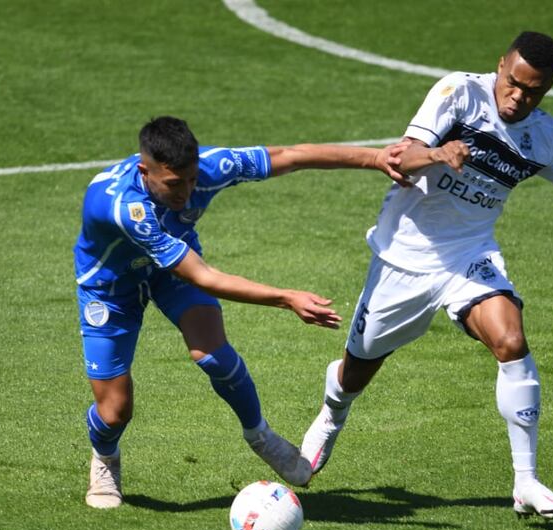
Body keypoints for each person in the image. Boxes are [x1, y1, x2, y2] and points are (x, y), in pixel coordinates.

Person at [299, 31, 553, 519]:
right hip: (406, 255)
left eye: (534, 91)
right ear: (500, 66)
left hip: (469, 256)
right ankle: (333, 414)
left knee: (511, 341)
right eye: (514, 83)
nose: (519, 97)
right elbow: (401, 156)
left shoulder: (546, 138)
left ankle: (526, 483)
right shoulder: (458, 93)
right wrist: (438, 154)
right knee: (358, 367)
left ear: (548, 88)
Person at [75, 116, 405, 508]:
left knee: (213, 356)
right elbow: (205, 277)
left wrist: (375, 158)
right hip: (111, 289)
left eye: (192, 179)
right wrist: (285, 297)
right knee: (114, 412)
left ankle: (260, 435)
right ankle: (106, 458)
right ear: (145, 171)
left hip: (171, 274)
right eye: (174, 185)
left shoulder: (210, 167)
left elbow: (289, 156)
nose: (187, 192)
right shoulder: (124, 207)